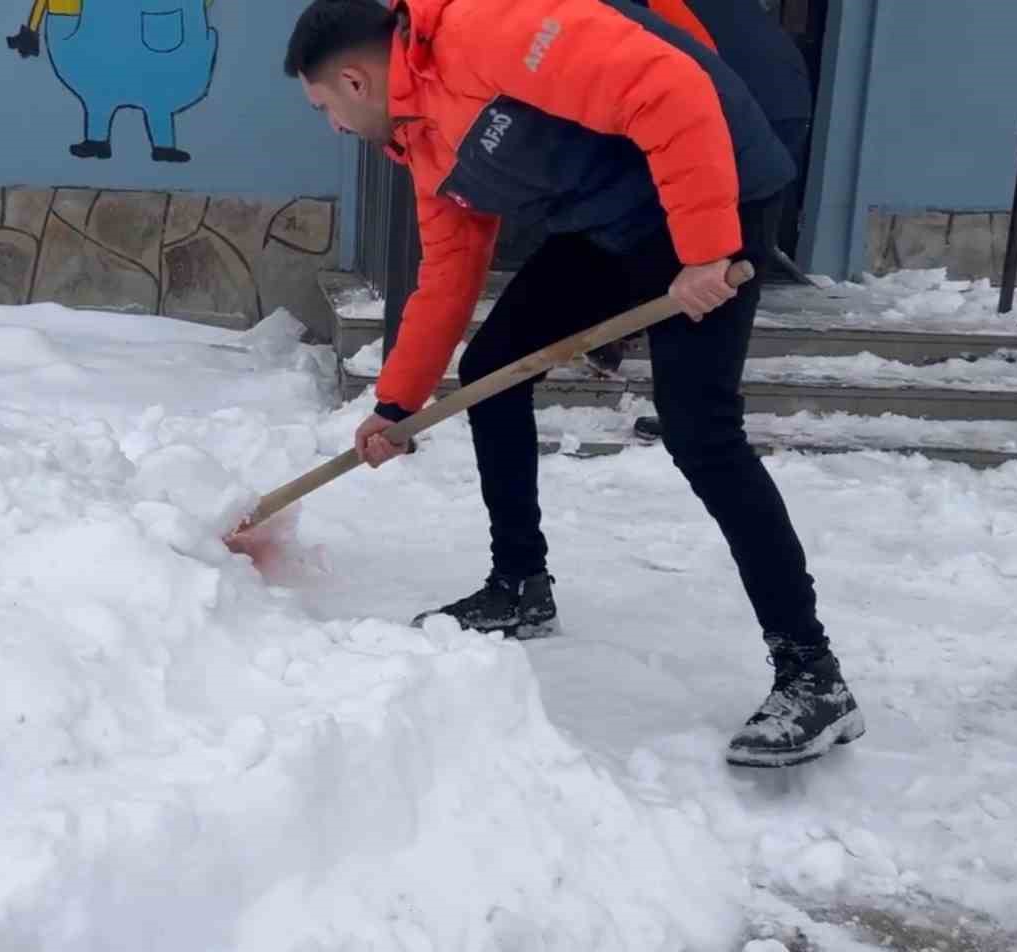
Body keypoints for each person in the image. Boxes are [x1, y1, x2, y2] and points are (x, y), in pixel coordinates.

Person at [283, 0, 863, 767]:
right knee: (491, 371)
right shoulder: (421, 140)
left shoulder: (488, 31)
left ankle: (812, 674)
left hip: (715, 181)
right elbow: (448, 275)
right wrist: (398, 404)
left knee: (700, 430)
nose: (332, 125)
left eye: (325, 107)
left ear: (356, 79)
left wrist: (706, 249)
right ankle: (519, 582)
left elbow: (671, 87)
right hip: (620, 222)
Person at [620, 0, 817, 444]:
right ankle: (695, 407)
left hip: (745, 104)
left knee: (711, 257)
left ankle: (700, 412)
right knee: (710, 251)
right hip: (775, 95)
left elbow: (692, 63)